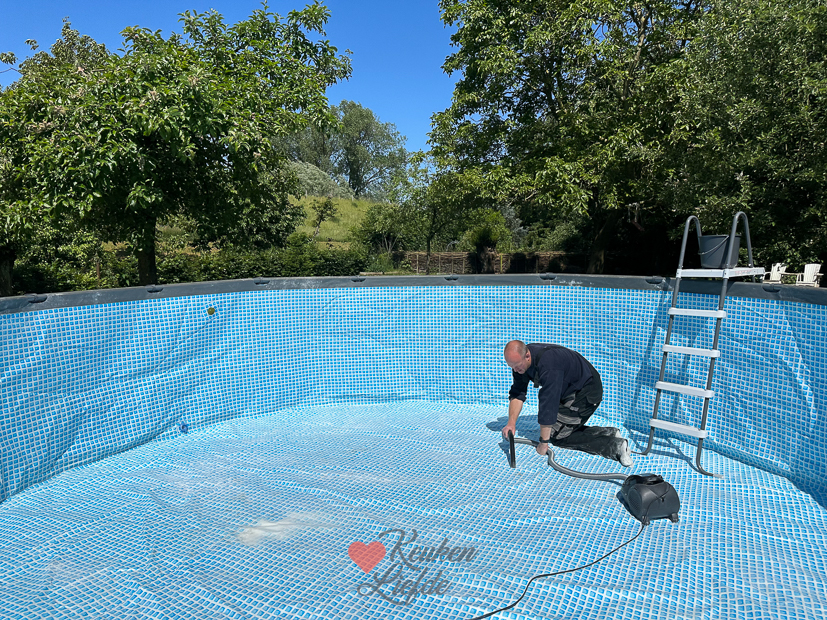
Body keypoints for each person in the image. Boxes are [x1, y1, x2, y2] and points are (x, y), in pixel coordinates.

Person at [502, 340, 633, 467]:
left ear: (527, 356)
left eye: (517, 366)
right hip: (568, 389)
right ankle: (609, 432)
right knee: (556, 428)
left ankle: (615, 446)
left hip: (587, 392)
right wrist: (511, 424)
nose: (515, 370)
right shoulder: (520, 362)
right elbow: (518, 393)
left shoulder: (548, 365)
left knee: (558, 437)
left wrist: (543, 443)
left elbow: (548, 405)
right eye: (511, 367)